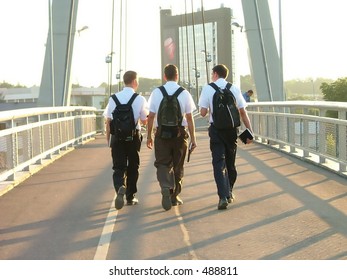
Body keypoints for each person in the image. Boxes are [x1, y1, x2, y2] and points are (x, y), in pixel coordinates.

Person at [198, 64, 253, 210]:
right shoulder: (233, 88)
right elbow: (242, 112)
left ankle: (222, 196)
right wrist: (250, 130)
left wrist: (208, 108)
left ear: (215, 74)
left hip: (216, 130)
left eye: (212, 74)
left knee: (218, 163)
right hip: (231, 131)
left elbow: (202, 113)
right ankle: (229, 192)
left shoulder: (208, 88)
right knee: (230, 163)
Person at [146, 64, 197, 211]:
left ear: (164, 76)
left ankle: (165, 187)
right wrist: (193, 139)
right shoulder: (184, 93)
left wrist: (149, 136)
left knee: (162, 163)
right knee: (178, 165)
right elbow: (189, 117)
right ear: (177, 76)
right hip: (179, 134)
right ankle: (174, 196)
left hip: (161, 134)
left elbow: (151, 117)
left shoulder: (156, 92)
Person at [104, 70, 148, 210]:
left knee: (118, 167)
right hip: (133, 137)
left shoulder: (113, 98)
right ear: (134, 82)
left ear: (124, 81)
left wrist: (109, 140)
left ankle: (120, 188)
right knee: (133, 166)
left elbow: (108, 120)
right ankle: (130, 196)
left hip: (117, 138)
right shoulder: (140, 99)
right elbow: (144, 120)